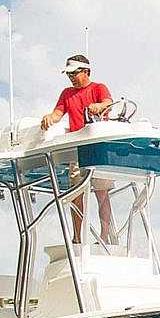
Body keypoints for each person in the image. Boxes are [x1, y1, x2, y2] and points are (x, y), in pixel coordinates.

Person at [41, 55, 115, 244]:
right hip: (77, 149)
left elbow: (108, 103)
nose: (71, 77)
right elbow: (57, 114)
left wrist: (99, 106)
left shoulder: (98, 88)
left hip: (98, 148)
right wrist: (49, 117)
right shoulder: (66, 93)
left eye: (74, 73)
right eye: (69, 74)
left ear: (86, 72)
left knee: (102, 193)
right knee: (75, 195)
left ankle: (104, 237)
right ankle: (76, 238)